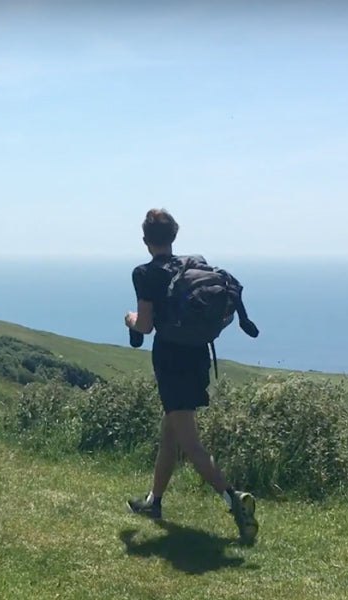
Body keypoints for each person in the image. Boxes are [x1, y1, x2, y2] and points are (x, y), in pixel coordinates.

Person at [124, 208, 258, 545]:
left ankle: (233, 499)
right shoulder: (192, 263)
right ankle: (154, 503)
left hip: (170, 359)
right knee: (171, 430)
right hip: (198, 354)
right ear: (174, 236)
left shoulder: (144, 273)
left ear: (145, 240)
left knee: (190, 441)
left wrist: (129, 320)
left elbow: (145, 325)